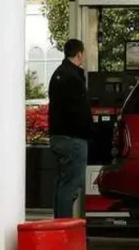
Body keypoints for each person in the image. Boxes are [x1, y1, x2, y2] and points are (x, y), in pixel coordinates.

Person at [48, 38, 93, 219]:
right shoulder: (73, 78)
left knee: (62, 184)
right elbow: (80, 111)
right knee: (72, 185)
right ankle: (64, 228)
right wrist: (90, 132)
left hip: (57, 137)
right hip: (73, 138)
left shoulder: (58, 74)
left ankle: (58, 223)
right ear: (79, 53)